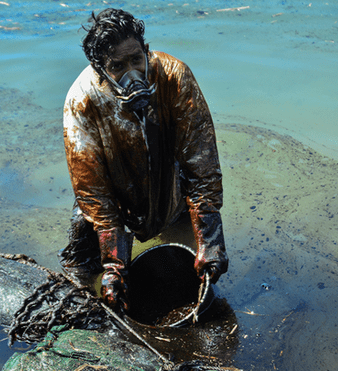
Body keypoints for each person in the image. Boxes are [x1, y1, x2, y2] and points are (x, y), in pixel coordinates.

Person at [59, 8, 228, 312]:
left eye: (136, 60)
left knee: (190, 270)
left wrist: (211, 242)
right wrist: (113, 267)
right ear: (99, 69)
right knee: (81, 277)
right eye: (117, 66)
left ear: (147, 52)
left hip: (169, 188)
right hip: (109, 202)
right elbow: (92, 189)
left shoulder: (175, 77)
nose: (132, 73)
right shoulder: (81, 101)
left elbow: (201, 162)